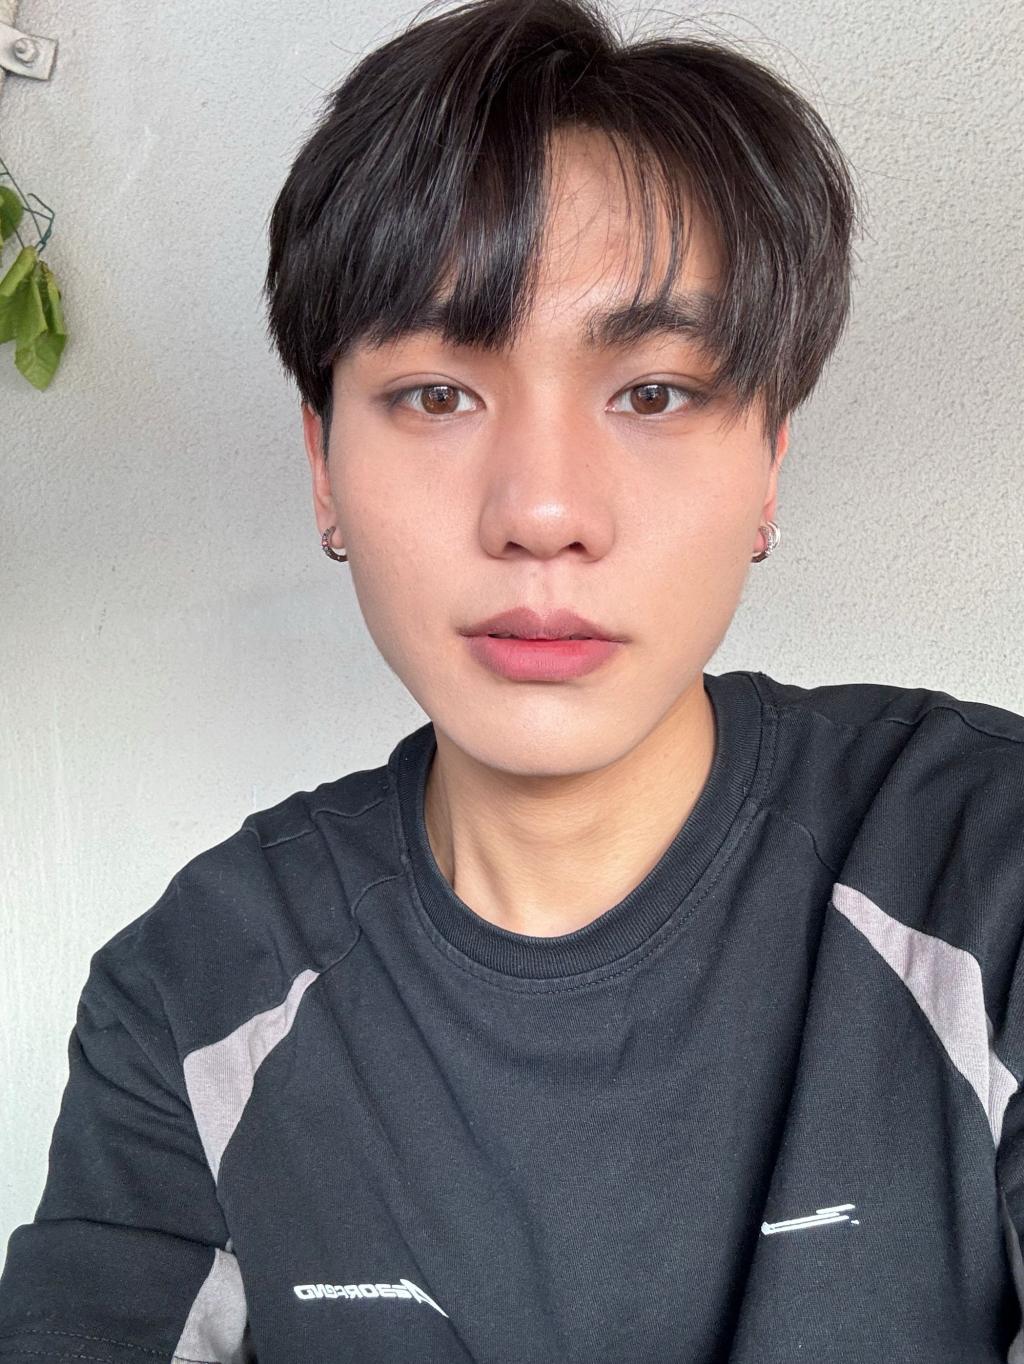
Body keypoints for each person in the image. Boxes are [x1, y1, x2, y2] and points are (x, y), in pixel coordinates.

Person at [2, 0, 1022, 1358]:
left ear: (771, 463)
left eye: (655, 393)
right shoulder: (192, 993)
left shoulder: (984, 869)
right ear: (324, 466)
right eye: (437, 394)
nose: (543, 513)